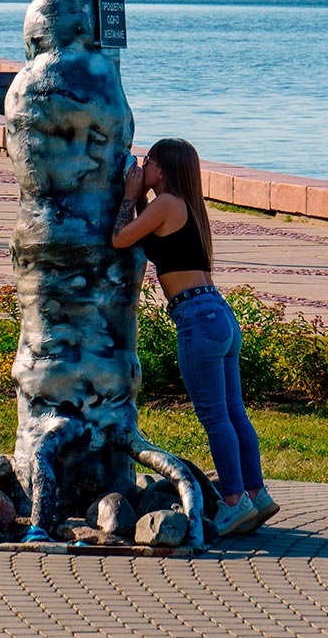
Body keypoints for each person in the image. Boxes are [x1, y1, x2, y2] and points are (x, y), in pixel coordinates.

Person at [111, 138, 277, 539]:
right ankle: (256, 492)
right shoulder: (187, 206)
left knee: (215, 417)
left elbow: (118, 238)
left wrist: (129, 195)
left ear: (163, 170)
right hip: (218, 314)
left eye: (148, 161)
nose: (142, 166)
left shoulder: (165, 204)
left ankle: (235, 504)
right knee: (234, 412)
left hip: (195, 317)